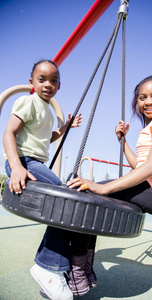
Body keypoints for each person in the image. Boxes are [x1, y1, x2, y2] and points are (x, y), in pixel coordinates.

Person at [3, 59, 96, 300]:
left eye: (53, 80)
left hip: (35, 162)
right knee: (66, 200)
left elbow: (47, 137)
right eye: (42, 79)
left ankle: (52, 268)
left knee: (64, 205)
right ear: (31, 82)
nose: (48, 84)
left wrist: (65, 127)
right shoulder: (28, 101)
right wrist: (15, 167)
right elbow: (9, 133)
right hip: (24, 161)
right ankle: (48, 268)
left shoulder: (45, 110)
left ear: (59, 85)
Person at [67, 75, 152, 216]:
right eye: (143, 98)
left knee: (88, 192)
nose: (148, 102)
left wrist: (105, 188)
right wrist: (123, 141)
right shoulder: (151, 126)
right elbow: (139, 165)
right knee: (89, 193)